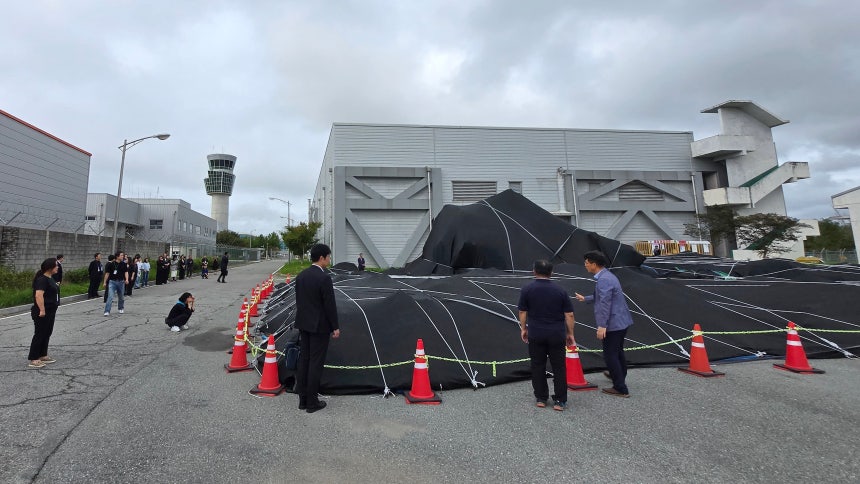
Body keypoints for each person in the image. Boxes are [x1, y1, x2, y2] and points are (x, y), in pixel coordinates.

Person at [575, 251, 634, 398]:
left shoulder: (604, 280)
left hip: (613, 323)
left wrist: (602, 326)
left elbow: (605, 304)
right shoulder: (608, 276)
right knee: (618, 352)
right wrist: (586, 298)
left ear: (594, 264)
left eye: (587, 263)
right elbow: (601, 296)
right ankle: (618, 375)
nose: (585, 265)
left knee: (610, 355)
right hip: (622, 321)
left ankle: (620, 388)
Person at [518, 259, 575, 411]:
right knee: (559, 367)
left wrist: (523, 328)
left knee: (537, 365)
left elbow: (523, 311)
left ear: (534, 271)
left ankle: (541, 398)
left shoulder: (527, 289)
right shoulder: (560, 290)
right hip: (556, 333)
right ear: (551, 272)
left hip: (536, 332)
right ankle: (560, 400)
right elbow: (569, 314)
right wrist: (570, 333)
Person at [294, 243, 340, 413]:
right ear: (322, 258)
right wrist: (335, 326)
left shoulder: (301, 276)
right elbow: (329, 305)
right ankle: (312, 403)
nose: (329, 259)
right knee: (315, 363)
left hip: (303, 323)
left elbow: (299, 301)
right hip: (319, 326)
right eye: (328, 256)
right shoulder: (324, 278)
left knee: (304, 360)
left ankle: (303, 400)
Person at [28, 258, 60, 369]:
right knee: (40, 334)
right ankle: (34, 358)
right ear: (50, 267)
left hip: (51, 311)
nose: (57, 267)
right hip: (42, 312)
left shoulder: (50, 278)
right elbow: (38, 295)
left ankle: (43, 355)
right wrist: (42, 310)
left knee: (47, 333)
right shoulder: (42, 280)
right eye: (56, 265)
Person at [104, 251, 128, 316]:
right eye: (121, 255)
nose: (123, 257)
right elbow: (107, 273)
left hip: (121, 282)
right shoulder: (111, 264)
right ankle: (107, 311)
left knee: (121, 296)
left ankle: (121, 308)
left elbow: (126, 272)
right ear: (117, 256)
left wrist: (126, 279)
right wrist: (105, 282)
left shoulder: (123, 264)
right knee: (110, 297)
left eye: (123, 255)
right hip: (112, 282)